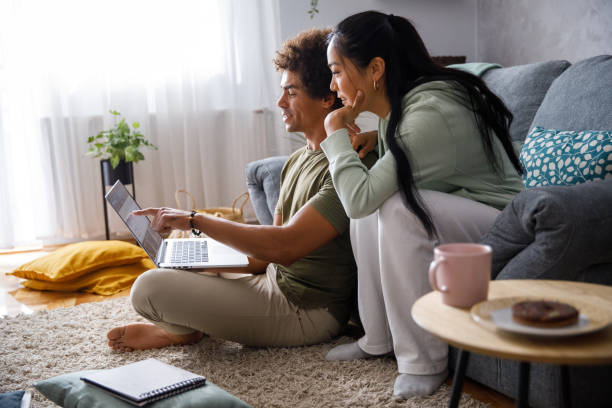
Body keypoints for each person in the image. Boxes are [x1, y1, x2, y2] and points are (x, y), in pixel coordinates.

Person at [107, 28, 375, 352]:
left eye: (291, 92)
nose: (280, 103)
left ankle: (182, 332)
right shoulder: (297, 160)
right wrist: (208, 261)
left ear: (327, 97)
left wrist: (195, 220)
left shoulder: (347, 163)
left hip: (306, 311)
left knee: (147, 288)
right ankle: (191, 319)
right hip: (273, 281)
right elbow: (267, 253)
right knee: (188, 264)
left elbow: (284, 247)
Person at [320, 11, 524, 398]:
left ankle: (424, 362)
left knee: (395, 207)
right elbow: (408, 172)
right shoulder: (404, 107)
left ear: (375, 68)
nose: (333, 85)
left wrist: (336, 135)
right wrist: (378, 141)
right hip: (462, 206)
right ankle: (376, 339)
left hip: (505, 224)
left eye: (336, 71)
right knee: (379, 204)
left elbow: (356, 200)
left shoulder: (429, 114)